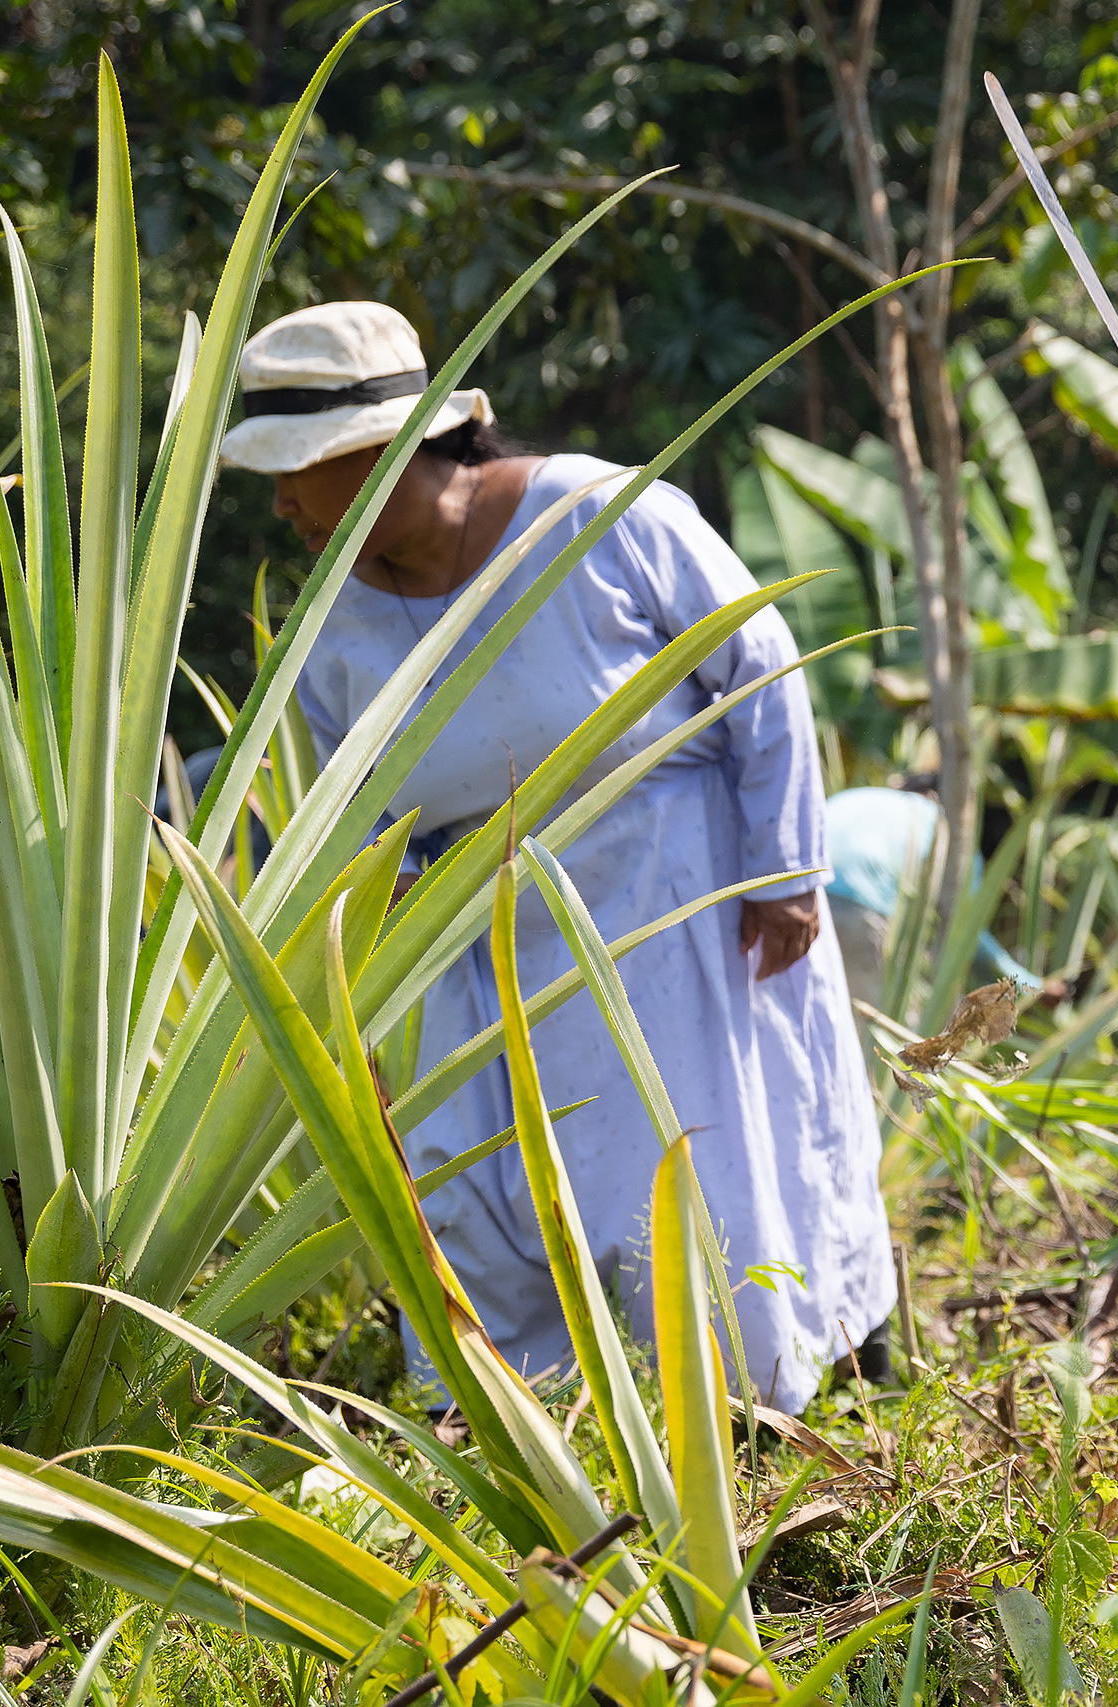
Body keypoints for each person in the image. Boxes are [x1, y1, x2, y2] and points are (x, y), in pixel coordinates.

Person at [221, 300, 893, 1413]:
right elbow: (354, 810)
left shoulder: (599, 516)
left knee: (700, 1172)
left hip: (678, 901)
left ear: (382, 452)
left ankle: (748, 1418)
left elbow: (759, 665)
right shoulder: (333, 626)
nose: (284, 501)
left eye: (296, 471)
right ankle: (528, 1425)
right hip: (476, 942)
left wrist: (784, 873)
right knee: (482, 1193)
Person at [822, 775, 1043, 1015]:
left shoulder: (864, 796)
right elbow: (966, 934)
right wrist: (1031, 985)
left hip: (796, 898)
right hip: (860, 908)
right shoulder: (951, 834)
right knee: (874, 1034)